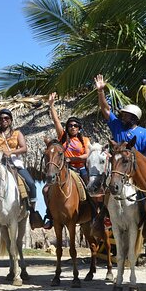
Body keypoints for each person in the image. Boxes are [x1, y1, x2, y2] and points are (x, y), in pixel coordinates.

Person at [0, 103, 44, 233]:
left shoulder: (17, 133)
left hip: (13, 164)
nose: (4, 120)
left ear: (10, 120)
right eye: (1, 118)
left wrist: (11, 152)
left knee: (31, 184)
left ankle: (33, 213)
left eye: (6, 118)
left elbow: (24, 148)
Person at [42, 92, 91, 229]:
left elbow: (86, 155)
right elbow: (56, 121)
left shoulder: (85, 140)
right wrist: (51, 106)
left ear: (79, 128)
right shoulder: (63, 137)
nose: (72, 127)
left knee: (90, 188)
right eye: (70, 125)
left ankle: (95, 214)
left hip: (80, 168)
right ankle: (50, 215)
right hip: (65, 170)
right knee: (46, 190)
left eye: (75, 125)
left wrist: (72, 158)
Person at [95, 74, 146, 157]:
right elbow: (106, 109)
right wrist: (100, 91)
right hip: (118, 166)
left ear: (134, 118)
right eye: (123, 115)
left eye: (126, 115)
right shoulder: (117, 125)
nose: (123, 117)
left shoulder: (145, 133)